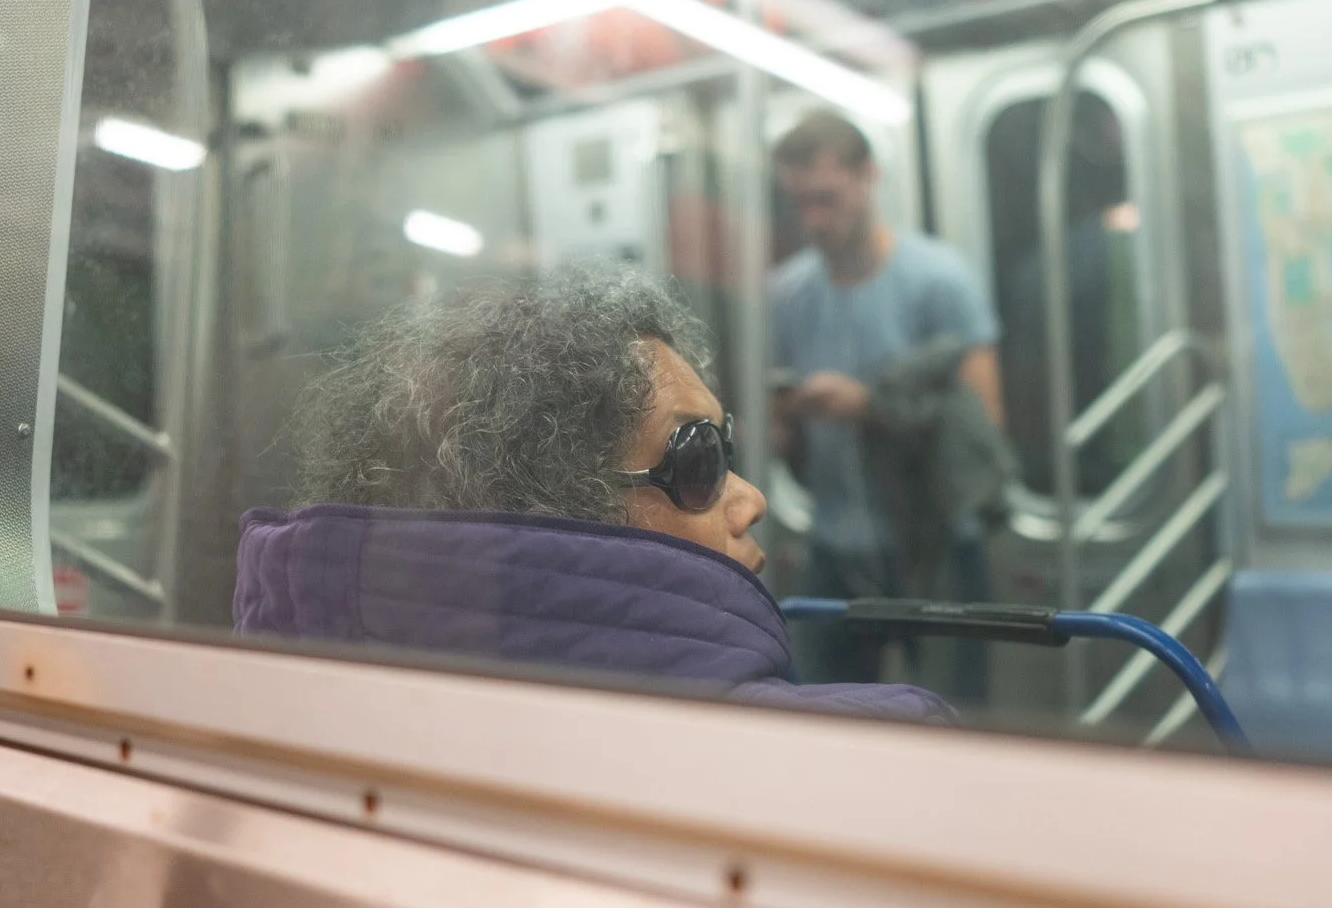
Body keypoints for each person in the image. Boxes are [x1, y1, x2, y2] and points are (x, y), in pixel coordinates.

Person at [233, 265, 953, 725]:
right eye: (700, 459)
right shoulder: (891, 750)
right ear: (558, 508)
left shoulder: (268, 714)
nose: (752, 499)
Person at [770, 111, 1012, 700]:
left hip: (936, 543)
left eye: (827, 199)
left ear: (868, 177)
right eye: (800, 203)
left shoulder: (938, 281)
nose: (814, 221)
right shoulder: (789, 294)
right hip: (834, 543)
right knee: (829, 724)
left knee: (957, 722)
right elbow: (778, 431)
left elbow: (986, 428)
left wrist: (870, 407)